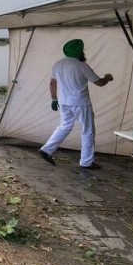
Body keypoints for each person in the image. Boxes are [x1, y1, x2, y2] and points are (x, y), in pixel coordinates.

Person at [39, 39, 114, 170]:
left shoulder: (58, 64)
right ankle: (86, 162)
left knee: (64, 126)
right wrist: (107, 77)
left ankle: (46, 149)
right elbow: (100, 83)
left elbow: (52, 83)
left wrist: (54, 99)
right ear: (79, 52)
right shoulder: (82, 66)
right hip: (80, 103)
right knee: (88, 131)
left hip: (64, 102)